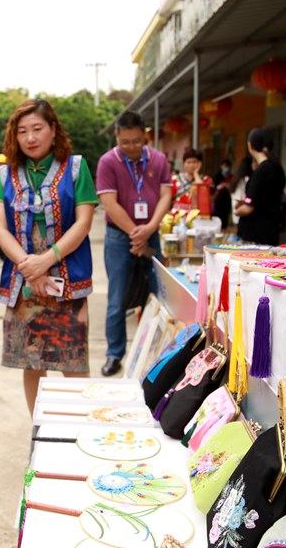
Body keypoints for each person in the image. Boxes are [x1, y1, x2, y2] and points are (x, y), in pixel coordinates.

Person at [0, 99, 97, 413]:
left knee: (73, 359)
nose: (30, 138)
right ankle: (39, 430)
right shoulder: (4, 174)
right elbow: (0, 229)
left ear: (53, 130)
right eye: (22, 131)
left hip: (67, 277)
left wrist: (45, 261)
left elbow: (84, 223)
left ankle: (81, 428)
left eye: (37, 129)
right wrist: (30, 267)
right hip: (23, 278)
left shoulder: (76, 168)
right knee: (31, 360)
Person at [95, 111, 172, 377]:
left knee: (157, 295)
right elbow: (109, 202)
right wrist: (134, 233)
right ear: (117, 137)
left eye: (136, 141)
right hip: (119, 236)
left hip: (150, 232)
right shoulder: (107, 162)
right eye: (125, 141)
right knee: (117, 298)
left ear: (145, 136)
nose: (131, 147)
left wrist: (149, 229)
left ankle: (158, 354)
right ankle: (114, 354)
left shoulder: (159, 159)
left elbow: (165, 195)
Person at [234, 127, 286, 245]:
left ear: (250, 146)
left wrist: (237, 211)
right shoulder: (276, 167)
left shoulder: (262, 170)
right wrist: (246, 202)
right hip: (270, 231)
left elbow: (249, 207)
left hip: (256, 235)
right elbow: (258, 198)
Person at [229, 156, 254, 228]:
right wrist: (249, 201)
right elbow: (246, 198)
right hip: (243, 213)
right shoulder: (246, 180)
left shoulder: (235, 179)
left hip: (236, 213)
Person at [213, 158, 234, 229]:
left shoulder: (231, 176)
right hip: (219, 198)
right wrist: (221, 186)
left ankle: (224, 228)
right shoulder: (217, 175)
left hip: (227, 198)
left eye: (227, 166)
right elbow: (214, 187)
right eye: (224, 166)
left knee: (225, 216)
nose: (226, 168)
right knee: (218, 216)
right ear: (221, 166)